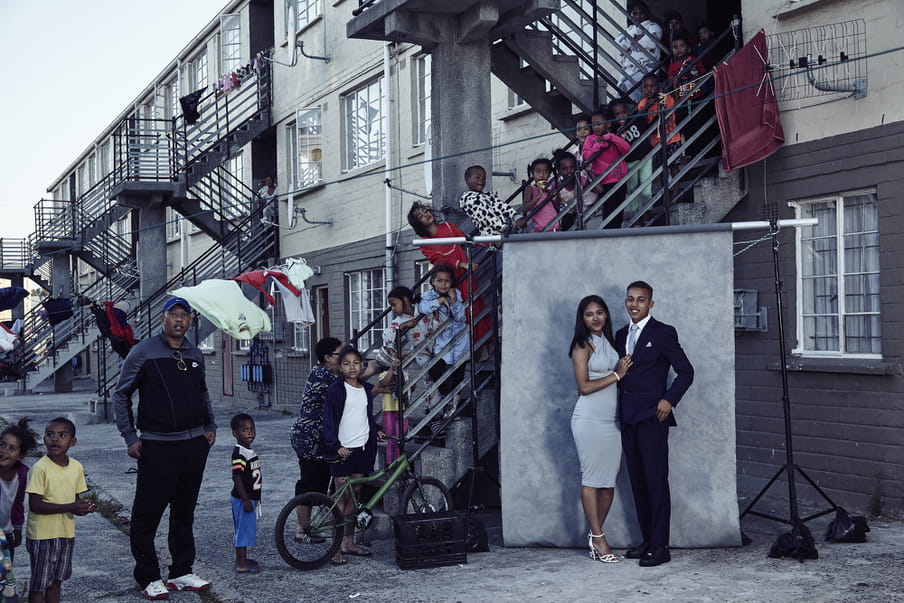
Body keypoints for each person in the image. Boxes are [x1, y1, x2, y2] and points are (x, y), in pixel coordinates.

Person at [113, 296, 216, 599]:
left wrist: (209, 427)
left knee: (184, 513)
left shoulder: (194, 352)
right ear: (162, 319)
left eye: (185, 315)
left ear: (190, 321)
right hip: (157, 447)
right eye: (174, 314)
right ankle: (148, 576)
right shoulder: (142, 352)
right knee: (147, 515)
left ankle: (181, 572)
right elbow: (121, 395)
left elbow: (202, 393)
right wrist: (130, 436)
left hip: (193, 446)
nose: (179, 320)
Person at [615, 281, 694, 567]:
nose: (635, 304)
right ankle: (648, 539)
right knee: (637, 481)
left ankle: (660, 546)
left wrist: (669, 399)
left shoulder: (663, 333)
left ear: (651, 304)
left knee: (656, 482)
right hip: (628, 417)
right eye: (630, 299)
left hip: (653, 417)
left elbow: (686, 372)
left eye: (641, 300)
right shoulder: (621, 333)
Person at [569, 296, 631, 564]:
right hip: (588, 420)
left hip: (611, 421)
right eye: (589, 314)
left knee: (607, 485)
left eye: (600, 313)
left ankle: (595, 536)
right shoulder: (581, 346)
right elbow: (583, 387)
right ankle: (599, 538)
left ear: (606, 315)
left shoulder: (611, 342)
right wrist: (617, 375)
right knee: (591, 480)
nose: (595, 318)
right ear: (582, 319)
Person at [320, 346, 386, 559]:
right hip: (343, 451)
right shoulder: (336, 390)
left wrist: (376, 431)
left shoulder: (365, 389)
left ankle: (350, 543)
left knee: (354, 496)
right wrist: (335, 445)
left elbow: (363, 415)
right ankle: (335, 547)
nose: (352, 367)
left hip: (362, 449)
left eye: (356, 363)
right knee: (340, 499)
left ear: (362, 366)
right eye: (347, 363)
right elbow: (329, 421)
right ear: (340, 367)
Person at [25, 418, 96, 603]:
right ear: (44, 439)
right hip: (42, 536)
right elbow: (35, 505)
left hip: (65, 533)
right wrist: (71, 507)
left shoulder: (76, 467)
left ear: (72, 442)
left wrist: (84, 507)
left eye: (62, 435)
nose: (55, 439)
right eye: (50, 435)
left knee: (56, 581)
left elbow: (75, 501)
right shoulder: (40, 468)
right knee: (38, 584)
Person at [289, 337, 345, 564]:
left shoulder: (321, 373)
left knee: (318, 483)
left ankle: (309, 528)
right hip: (312, 438)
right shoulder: (326, 377)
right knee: (312, 482)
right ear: (328, 358)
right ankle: (303, 530)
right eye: (340, 354)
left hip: (315, 437)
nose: (343, 358)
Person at [407, 202, 491, 346]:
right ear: (418, 224)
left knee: (476, 305)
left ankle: (485, 344)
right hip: (450, 281)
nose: (426, 214)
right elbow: (439, 260)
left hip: (466, 275)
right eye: (420, 216)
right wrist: (462, 264)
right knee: (460, 313)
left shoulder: (448, 227)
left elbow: (467, 240)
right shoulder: (424, 243)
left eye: (425, 211)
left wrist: (490, 242)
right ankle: (471, 346)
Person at [417, 265, 469, 417]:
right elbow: (422, 308)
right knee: (434, 370)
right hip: (443, 341)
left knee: (459, 373)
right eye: (439, 280)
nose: (443, 284)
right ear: (432, 281)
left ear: (452, 282)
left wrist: (453, 300)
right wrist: (439, 301)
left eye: (447, 281)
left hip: (460, 339)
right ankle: (447, 397)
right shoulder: (428, 296)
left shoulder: (456, 294)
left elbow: (460, 317)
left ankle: (456, 399)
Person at [0, 418, 39, 601]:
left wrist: (17, 529)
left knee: (5, 576)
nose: (4, 450)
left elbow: (18, 504)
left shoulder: (22, 474)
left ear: (20, 455)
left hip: (6, 535)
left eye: (11, 448)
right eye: (2, 445)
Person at [581, 108, 631, 229]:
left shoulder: (613, 136)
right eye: (593, 125)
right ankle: (609, 233)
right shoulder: (590, 139)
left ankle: (616, 233)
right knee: (609, 209)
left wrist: (611, 138)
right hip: (605, 182)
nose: (596, 127)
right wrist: (599, 145)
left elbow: (626, 149)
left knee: (619, 209)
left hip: (620, 179)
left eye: (599, 124)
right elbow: (586, 156)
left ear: (608, 124)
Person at [610, 98, 653, 223]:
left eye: (623, 113)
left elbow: (648, 120)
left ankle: (649, 209)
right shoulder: (613, 131)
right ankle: (636, 216)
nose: (621, 116)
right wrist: (619, 138)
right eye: (617, 114)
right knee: (632, 190)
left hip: (645, 157)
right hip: (629, 162)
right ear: (613, 116)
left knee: (646, 190)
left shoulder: (635, 119)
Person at [230, 413, 262, 574]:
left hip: (250, 498)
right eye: (244, 430)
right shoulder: (239, 453)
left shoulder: (248, 450)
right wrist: (246, 500)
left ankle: (241, 559)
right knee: (243, 531)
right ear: (235, 433)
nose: (250, 433)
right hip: (244, 499)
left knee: (246, 530)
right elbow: (237, 477)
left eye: (251, 429)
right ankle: (241, 564)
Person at [615, 1, 663, 103]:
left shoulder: (653, 26)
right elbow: (619, 43)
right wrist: (637, 39)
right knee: (619, 90)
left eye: (641, 13)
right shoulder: (629, 29)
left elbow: (651, 42)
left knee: (632, 86)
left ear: (646, 13)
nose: (638, 16)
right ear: (631, 15)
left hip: (647, 67)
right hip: (629, 67)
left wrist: (630, 43)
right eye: (635, 13)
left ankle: (637, 109)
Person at [458, 165, 516, 236]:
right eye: (477, 178)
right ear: (467, 179)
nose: (481, 181)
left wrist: (515, 216)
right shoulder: (468, 198)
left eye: (483, 178)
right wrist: (504, 227)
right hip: (490, 237)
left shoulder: (488, 195)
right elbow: (485, 216)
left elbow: (502, 205)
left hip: (503, 233)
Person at [550, 150, 598, 231]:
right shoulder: (556, 185)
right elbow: (555, 207)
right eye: (564, 168)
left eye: (572, 167)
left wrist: (589, 171)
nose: (569, 171)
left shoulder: (580, 180)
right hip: (566, 215)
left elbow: (599, 189)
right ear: (559, 170)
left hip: (582, 212)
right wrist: (556, 197)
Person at [521, 158, 559, 232]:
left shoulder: (549, 190)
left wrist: (555, 198)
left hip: (555, 227)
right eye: (538, 172)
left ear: (549, 175)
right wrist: (539, 196)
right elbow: (525, 208)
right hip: (540, 229)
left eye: (545, 172)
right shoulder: (530, 189)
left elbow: (556, 208)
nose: (542, 175)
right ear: (533, 174)